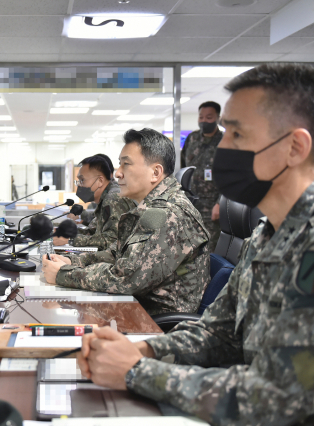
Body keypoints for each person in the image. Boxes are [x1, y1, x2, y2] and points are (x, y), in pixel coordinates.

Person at [75, 64, 314, 425]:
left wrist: (136, 371)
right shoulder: (267, 233)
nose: (219, 149)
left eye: (237, 135)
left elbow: (280, 396)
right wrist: (144, 349)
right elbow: (219, 332)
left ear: (295, 147)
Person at [43, 129, 210, 315]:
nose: (117, 174)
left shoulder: (167, 213)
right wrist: (73, 260)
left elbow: (126, 279)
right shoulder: (150, 208)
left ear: (155, 172)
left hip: (155, 321)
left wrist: (64, 274)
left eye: (126, 164)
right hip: (135, 306)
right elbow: (120, 255)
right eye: (119, 165)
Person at [53, 154, 135, 251]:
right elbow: (94, 232)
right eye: (78, 181)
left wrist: (70, 240)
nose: (79, 186)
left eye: (82, 180)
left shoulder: (113, 198)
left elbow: (110, 241)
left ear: (100, 181)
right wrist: (65, 232)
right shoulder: (106, 197)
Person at [181, 101, 224, 248]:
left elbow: (231, 176)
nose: (204, 121)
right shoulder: (192, 138)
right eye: (201, 117)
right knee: (188, 248)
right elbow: (183, 169)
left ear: (218, 118)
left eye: (209, 117)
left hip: (212, 206)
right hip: (190, 203)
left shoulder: (225, 141)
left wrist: (220, 203)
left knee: (209, 249)